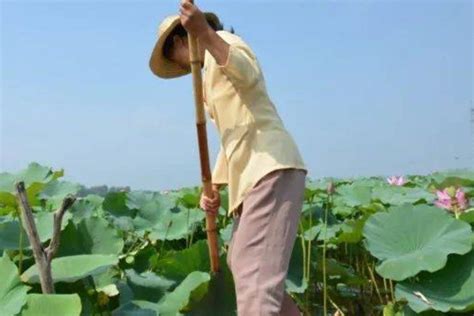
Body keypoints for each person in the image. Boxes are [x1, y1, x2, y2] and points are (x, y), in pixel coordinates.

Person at [149, 1, 308, 315]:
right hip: (252, 175)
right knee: (241, 264)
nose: (183, 69)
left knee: (253, 280)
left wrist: (205, 34)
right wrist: (215, 188)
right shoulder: (209, 72)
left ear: (181, 41)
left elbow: (247, 74)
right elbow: (234, 135)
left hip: (269, 166)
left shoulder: (226, 45)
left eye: (176, 61)